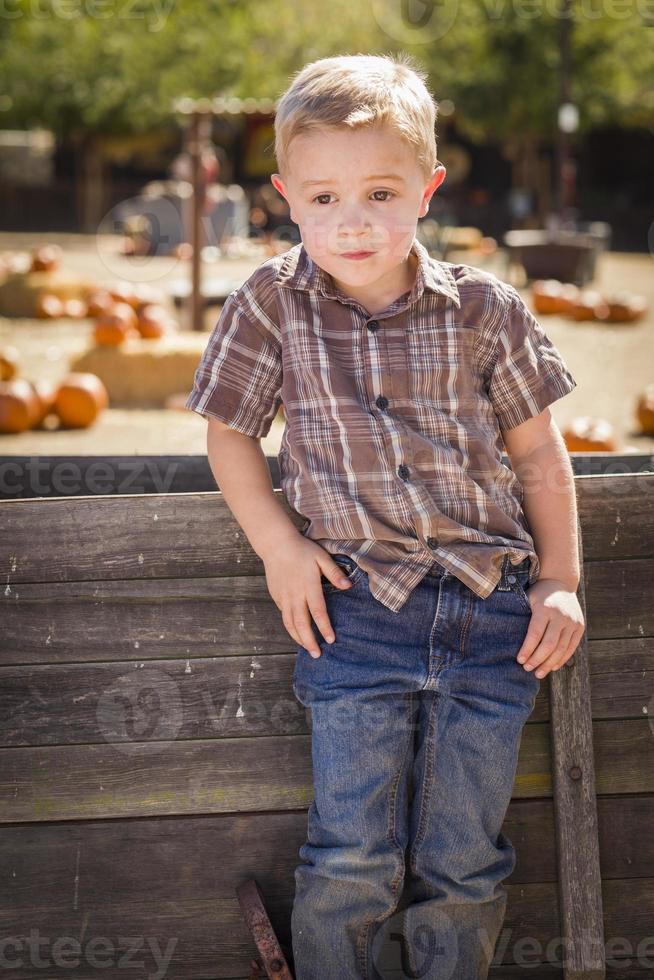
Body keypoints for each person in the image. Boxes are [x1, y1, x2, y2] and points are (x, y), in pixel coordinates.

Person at [184, 52, 585, 980]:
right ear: (286, 195)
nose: (351, 220)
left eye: (379, 191)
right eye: (322, 198)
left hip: (494, 617)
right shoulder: (269, 305)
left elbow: (537, 455)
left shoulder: (486, 309)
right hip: (354, 613)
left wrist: (560, 581)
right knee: (352, 857)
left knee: (464, 861)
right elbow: (231, 437)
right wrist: (281, 547)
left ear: (428, 189)